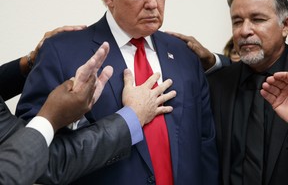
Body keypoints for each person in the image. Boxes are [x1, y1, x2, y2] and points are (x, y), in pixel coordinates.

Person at [15, 0, 219, 184]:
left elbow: (205, 142)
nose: (152, 3)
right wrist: (74, 117)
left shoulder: (184, 53)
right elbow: (31, 146)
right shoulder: (62, 51)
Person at [1, 28, 176, 184]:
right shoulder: (58, 50)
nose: (152, 3)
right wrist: (52, 117)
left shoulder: (179, 52)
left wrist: (28, 62)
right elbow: (37, 162)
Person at [207, 0, 288, 185]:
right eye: (237, 21)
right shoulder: (216, 85)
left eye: (257, 19)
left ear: (285, 25)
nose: (244, 31)